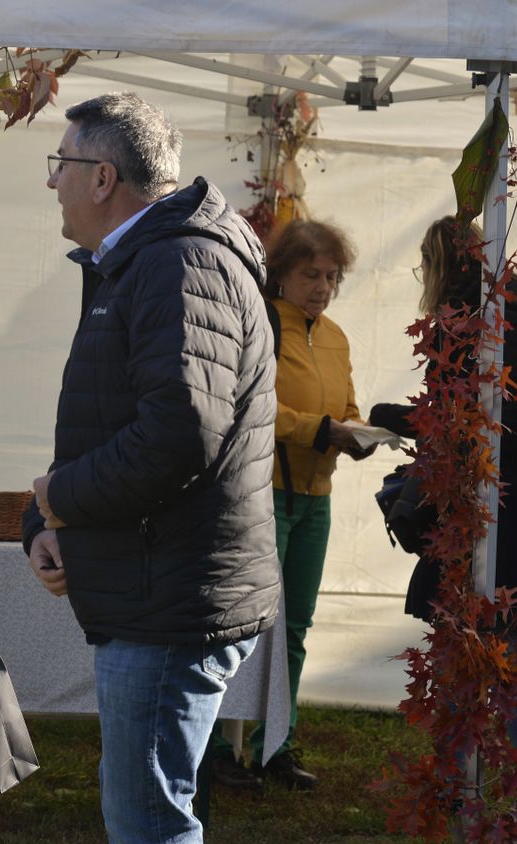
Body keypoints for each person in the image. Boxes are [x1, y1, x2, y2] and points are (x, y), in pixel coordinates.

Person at [22, 91, 281, 844]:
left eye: (60, 165)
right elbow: (119, 420)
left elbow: (176, 436)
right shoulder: (148, 261)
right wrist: (48, 519)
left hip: (173, 601)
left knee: (147, 825)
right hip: (159, 588)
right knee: (146, 816)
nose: (51, 182)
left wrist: (60, 500)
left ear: (103, 179)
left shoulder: (180, 263)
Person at [369, 215, 517, 827]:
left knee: (498, 647)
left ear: (441, 262)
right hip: (495, 491)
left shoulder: (483, 307)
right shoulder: (505, 304)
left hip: (500, 495)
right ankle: (455, 783)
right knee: (461, 633)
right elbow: (475, 405)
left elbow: (497, 408)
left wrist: (397, 417)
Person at [212, 220, 375, 792]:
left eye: (332, 276)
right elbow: (248, 408)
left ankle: (274, 743)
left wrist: (356, 434)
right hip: (262, 495)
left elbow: (346, 406)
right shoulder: (258, 321)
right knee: (243, 624)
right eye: (311, 274)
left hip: (315, 498)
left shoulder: (335, 336)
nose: (323, 286)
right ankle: (214, 748)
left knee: (296, 627)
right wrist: (318, 429)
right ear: (280, 272)